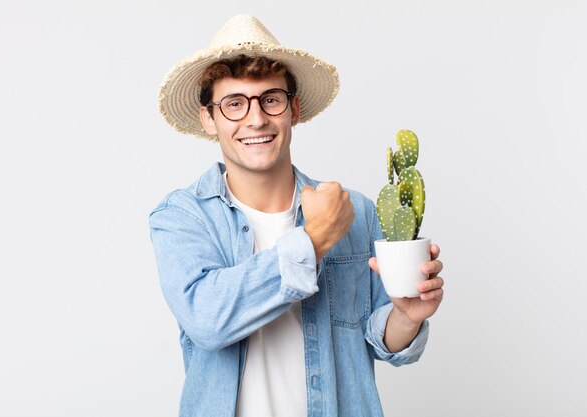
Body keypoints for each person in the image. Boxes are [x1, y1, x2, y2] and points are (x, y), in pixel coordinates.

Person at [149, 14, 444, 417]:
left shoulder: (356, 211)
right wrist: (316, 239)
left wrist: (407, 317)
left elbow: (382, 343)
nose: (256, 119)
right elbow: (207, 320)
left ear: (294, 109)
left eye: (271, 99)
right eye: (234, 104)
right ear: (209, 118)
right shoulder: (182, 217)